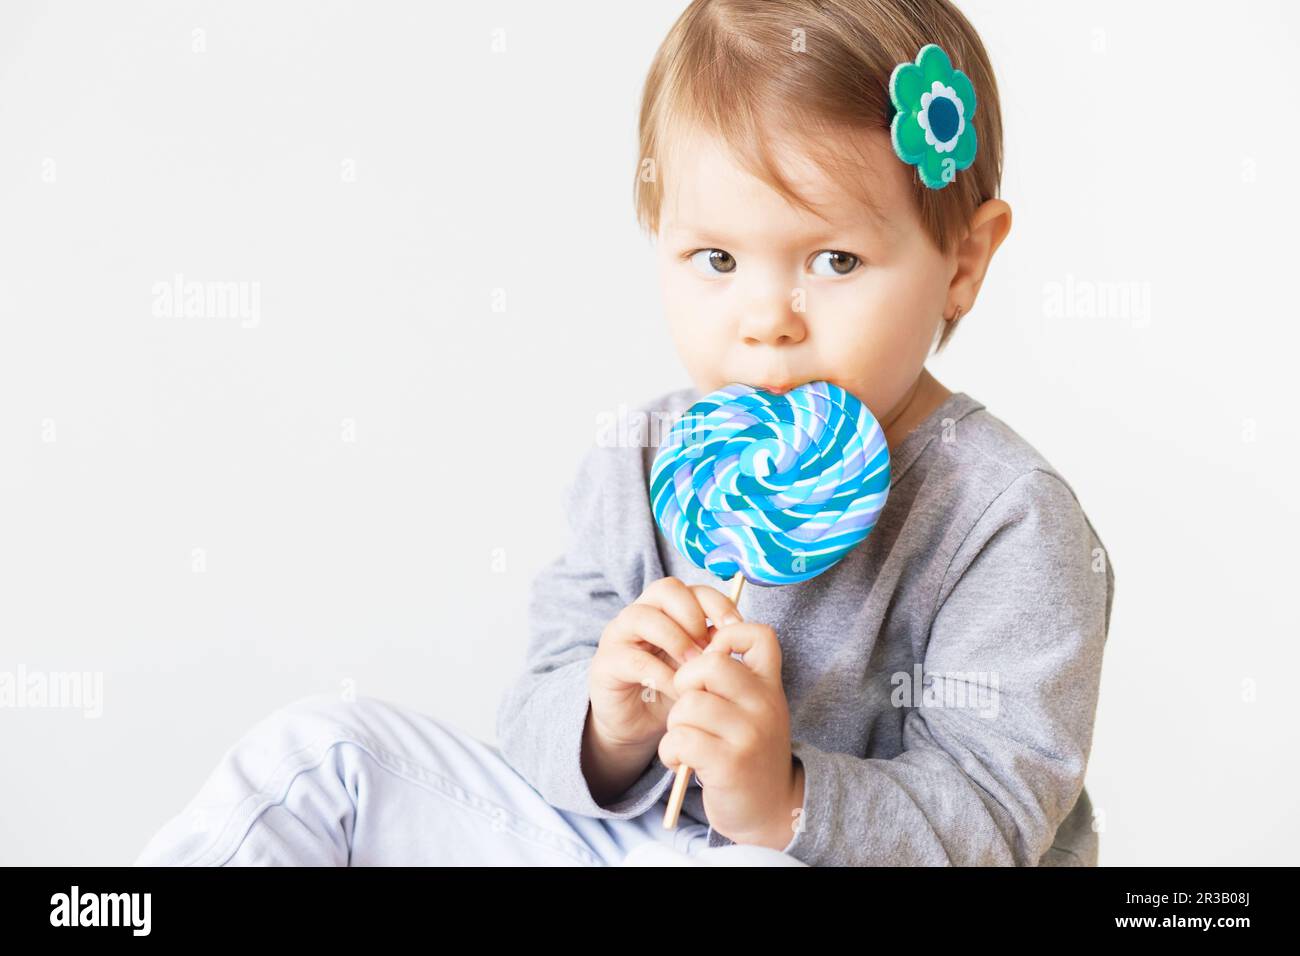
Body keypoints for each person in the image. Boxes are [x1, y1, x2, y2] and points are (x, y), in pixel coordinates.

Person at [135, 0, 1113, 867]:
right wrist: (609, 723)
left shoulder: (1003, 520)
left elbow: (998, 815)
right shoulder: (641, 459)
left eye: (835, 257)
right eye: (716, 256)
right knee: (321, 756)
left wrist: (782, 798)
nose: (766, 315)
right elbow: (529, 711)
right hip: (613, 838)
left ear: (963, 260)